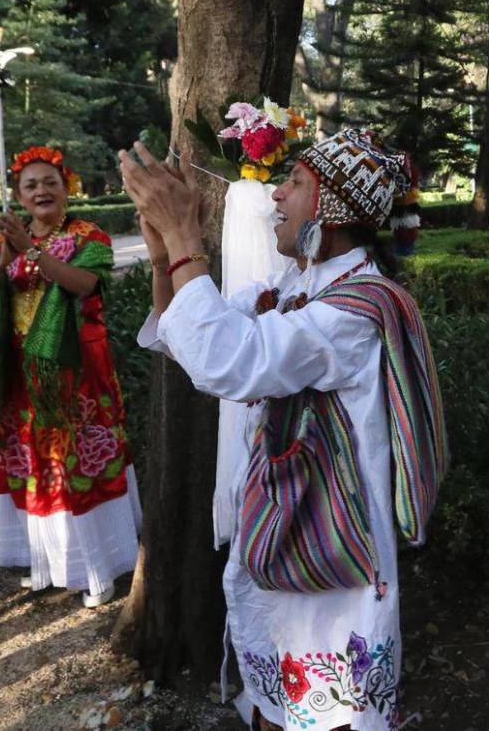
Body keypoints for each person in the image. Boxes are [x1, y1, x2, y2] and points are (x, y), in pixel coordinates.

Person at [123, 130, 446, 731]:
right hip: (289, 523)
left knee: (332, 709)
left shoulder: (357, 308)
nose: (276, 194)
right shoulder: (296, 286)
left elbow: (231, 361)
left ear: (333, 208)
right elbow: (188, 340)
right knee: (279, 696)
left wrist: (186, 237)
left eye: (295, 182)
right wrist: (166, 248)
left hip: (332, 544)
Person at [0, 145, 140, 609]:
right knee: (36, 464)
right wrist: (1, 262)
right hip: (21, 374)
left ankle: (97, 569)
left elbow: (84, 284)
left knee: (77, 462)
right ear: (19, 195)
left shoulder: (88, 235)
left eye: (50, 183)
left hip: (77, 370)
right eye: (31, 185)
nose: (41, 190)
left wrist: (30, 250)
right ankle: (47, 564)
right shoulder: (3, 240)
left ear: (68, 187)